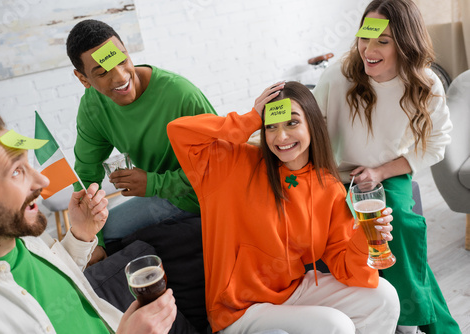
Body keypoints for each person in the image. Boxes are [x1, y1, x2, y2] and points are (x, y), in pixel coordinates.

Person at [167, 81, 400, 334]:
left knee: (384, 297)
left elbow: (346, 268)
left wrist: (363, 237)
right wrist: (249, 119)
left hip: (292, 292)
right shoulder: (231, 165)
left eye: (292, 123)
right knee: (337, 326)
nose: (282, 137)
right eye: (271, 127)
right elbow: (179, 131)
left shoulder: (329, 187)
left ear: (312, 123)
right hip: (239, 309)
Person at [0, 105, 193, 333]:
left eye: (29, 165)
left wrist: (81, 234)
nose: (42, 182)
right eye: (16, 171)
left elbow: (58, 278)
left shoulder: (21, 237)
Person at [312, 1, 460, 333]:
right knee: (371, 234)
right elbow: (312, 129)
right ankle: (433, 325)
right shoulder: (337, 77)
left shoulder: (426, 84)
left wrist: (381, 172)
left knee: (403, 226)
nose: (368, 49)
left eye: (383, 40)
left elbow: (437, 143)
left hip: (389, 168)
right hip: (335, 175)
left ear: (406, 43)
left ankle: (406, 322)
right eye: (366, 37)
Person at [66, 19, 217, 264]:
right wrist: (91, 239)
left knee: (112, 235)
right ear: (83, 79)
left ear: (126, 50)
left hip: (200, 199)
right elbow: (85, 174)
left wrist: (153, 183)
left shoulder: (180, 94)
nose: (120, 77)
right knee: (89, 243)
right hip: (162, 195)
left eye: (122, 60)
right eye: (102, 72)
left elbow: (221, 167)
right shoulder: (93, 106)